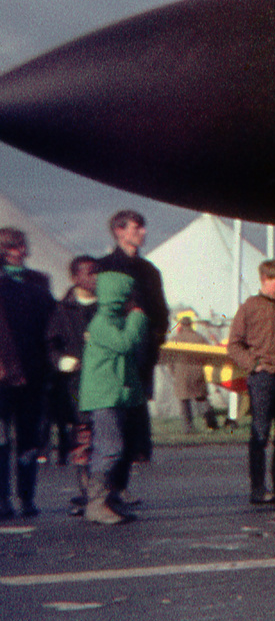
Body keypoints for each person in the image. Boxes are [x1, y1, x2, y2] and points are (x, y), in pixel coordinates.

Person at [227, 259, 275, 504]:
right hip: (262, 378)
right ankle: (259, 489)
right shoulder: (249, 307)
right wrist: (254, 365)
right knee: (260, 433)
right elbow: (234, 344)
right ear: (264, 280)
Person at [95, 210, 168, 470]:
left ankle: (120, 488)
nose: (143, 232)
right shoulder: (102, 267)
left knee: (134, 423)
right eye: (136, 227)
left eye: (143, 227)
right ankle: (102, 491)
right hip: (112, 355)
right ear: (119, 231)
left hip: (140, 355)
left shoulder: (150, 271)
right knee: (112, 423)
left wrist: (153, 342)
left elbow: (160, 313)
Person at [77, 270, 148, 525]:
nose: (133, 302)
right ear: (117, 298)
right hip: (104, 397)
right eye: (129, 297)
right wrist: (138, 320)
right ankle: (96, 503)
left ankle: (109, 500)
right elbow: (125, 344)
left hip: (115, 395)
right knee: (110, 448)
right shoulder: (102, 325)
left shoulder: (114, 321)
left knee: (116, 447)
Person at [0, 229, 55, 519]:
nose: (17, 250)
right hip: (3, 376)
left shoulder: (39, 282)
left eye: (20, 245)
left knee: (29, 440)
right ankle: (2, 499)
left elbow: (51, 325)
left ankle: (27, 497)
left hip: (34, 373)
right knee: (0, 440)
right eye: (9, 246)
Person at [46, 256, 97, 515]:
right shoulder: (62, 309)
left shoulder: (106, 307)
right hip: (75, 386)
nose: (94, 277)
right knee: (82, 438)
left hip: (103, 383)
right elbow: (50, 344)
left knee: (107, 441)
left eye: (97, 272)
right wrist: (61, 361)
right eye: (88, 273)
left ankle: (107, 493)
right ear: (75, 277)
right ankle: (87, 492)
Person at [168, 313, 219, 433]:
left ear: (181, 325)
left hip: (181, 375)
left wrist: (174, 373)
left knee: (184, 403)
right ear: (191, 325)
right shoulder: (199, 338)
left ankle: (188, 428)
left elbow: (169, 360)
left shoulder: (175, 339)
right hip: (197, 373)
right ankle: (211, 424)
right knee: (202, 400)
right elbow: (209, 355)